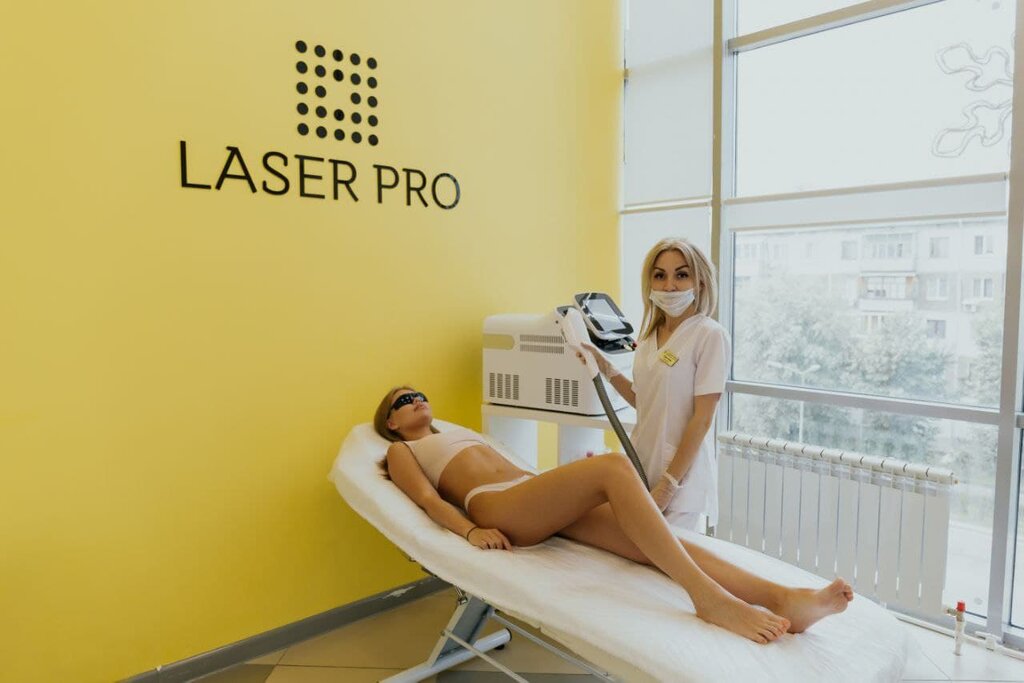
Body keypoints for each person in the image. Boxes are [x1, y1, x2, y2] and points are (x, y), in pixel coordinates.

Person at [373, 386, 853, 644]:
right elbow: (430, 501)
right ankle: (708, 598)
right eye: (402, 401)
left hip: (530, 494)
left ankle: (783, 599)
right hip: (497, 504)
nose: (415, 401)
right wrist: (471, 531)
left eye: (419, 395)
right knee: (613, 466)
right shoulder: (401, 451)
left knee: (655, 541)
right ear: (391, 422)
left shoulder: (458, 431)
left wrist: (565, 490)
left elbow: (520, 471)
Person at [579, 238, 728, 533]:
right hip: (642, 466)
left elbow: (702, 419)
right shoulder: (649, 338)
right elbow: (643, 400)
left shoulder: (709, 335)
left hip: (682, 481)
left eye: (681, 275)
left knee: (667, 556)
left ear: (699, 282)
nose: (669, 286)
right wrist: (605, 367)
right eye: (660, 276)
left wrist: (669, 485)